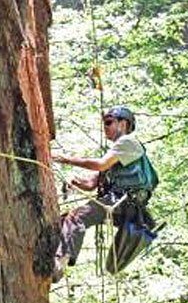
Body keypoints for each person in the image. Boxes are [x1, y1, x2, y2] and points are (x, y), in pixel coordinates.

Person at [51, 106, 155, 281]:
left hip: (124, 202)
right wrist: (75, 181)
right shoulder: (117, 155)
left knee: (76, 217)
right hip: (123, 205)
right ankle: (57, 252)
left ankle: (59, 264)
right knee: (65, 219)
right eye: (104, 123)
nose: (105, 127)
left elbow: (100, 165)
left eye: (109, 122)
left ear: (124, 124)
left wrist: (64, 158)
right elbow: (91, 184)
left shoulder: (128, 142)